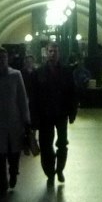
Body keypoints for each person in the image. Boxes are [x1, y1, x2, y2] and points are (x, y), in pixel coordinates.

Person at [0, 47, 31, 196]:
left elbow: (22, 98)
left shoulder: (16, 75)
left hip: (14, 123)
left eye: (4, 58)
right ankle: (2, 185)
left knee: (14, 154)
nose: (2, 61)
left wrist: (26, 119)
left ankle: (14, 172)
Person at [31, 41, 79, 186]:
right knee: (46, 145)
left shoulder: (66, 72)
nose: (52, 54)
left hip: (61, 113)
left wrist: (72, 112)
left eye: (55, 51)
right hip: (44, 115)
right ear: (46, 53)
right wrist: (34, 117)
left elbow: (72, 93)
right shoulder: (38, 73)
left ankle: (60, 169)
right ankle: (50, 172)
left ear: (59, 53)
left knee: (62, 143)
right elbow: (34, 96)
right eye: (50, 51)